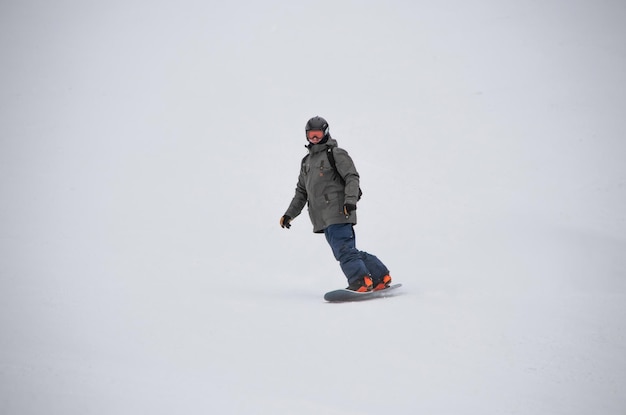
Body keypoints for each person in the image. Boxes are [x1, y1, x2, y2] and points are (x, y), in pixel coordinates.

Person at [279, 116, 392, 292]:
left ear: (326, 133)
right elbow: (302, 192)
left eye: (318, 134)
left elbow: (351, 177)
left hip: (339, 210)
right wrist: (289, 214)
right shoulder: (306, 162)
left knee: (344, 251)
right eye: (311, 135)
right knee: (346, 250)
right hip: (322, 217)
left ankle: (360, 281)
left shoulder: (336, 154)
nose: (314, 139)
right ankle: (380, 276)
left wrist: (350, 201)